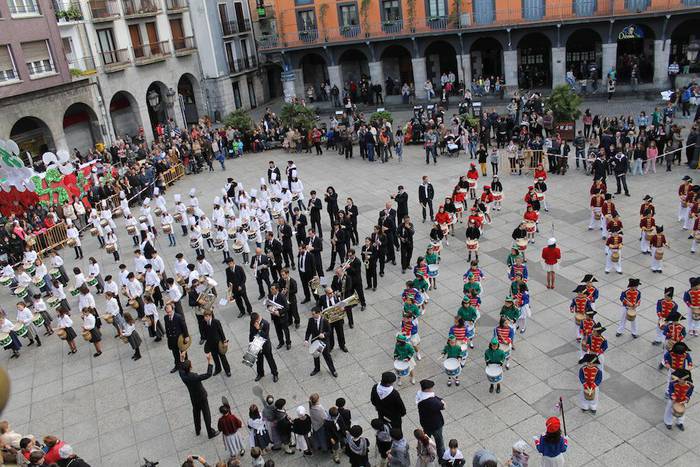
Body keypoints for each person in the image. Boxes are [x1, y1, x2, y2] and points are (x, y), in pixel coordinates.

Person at [179, 352, 219, 438]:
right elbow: (208, 374)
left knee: (196, 414)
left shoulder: (183, 376)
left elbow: (180, 369)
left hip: (193, 398)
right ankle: (210, 432)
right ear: (190, 367)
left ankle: (197, 430)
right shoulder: (195, 377)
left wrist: (181, 358)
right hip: (202, 397)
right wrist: (209, 361)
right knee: (206, 414)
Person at [416, 379, 445, 460]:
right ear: (427, 389)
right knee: (439, 442)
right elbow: (443, 406)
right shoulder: (432, 402)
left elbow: (435, 397)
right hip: (436, 425)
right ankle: (441, 458)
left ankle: (427, 453)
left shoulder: (420, 395)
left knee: (426, 441)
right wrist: (442, 401)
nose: (432, 389)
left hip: (425, 423)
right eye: (431, 388)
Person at [304, 307, 337, 377]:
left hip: (323, 342)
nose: (312, 316)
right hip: (315, 341)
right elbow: (308, 331)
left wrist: (324, 335)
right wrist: (306, 340)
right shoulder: (311, 320)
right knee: (316, 356)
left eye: (313, 314)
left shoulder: (324, 321)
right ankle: (317, 368)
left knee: (327, 356)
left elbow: (329, 332)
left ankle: (333, 370)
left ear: (318, 313)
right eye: (312, 314)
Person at [250, 312, 279, 382]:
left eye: (255, 321)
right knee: (259, 361)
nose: (254, 323)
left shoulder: (266, 323)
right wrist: (251, 343)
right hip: (257, 345)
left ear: (258, 319)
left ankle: (275, 374)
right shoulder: (252, 322)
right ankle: (260, 373)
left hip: (265, 345)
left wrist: (259, 329)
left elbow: (265, 336)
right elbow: (251, 333)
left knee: (270, 360)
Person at [202, 309, 230, 377]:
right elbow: (204, 331)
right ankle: (218, 369)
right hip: (210, 343)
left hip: (218, 343)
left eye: (206, 316)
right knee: (215, 358)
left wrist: (224, 341)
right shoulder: (204, 322)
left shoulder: (216, 322)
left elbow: (221, 331)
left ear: (210, 316)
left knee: (223, 357)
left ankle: (227, 370)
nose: (205, 318)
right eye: (204, 317)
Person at [164, 303, 189, 372]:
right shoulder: (165, 318)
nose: (169, 313)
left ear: (172, 309)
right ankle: (177, 366)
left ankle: (186, 366)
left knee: (183, 353)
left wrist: (186, 336)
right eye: (167, 312)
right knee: (175, 354)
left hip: (180, 339)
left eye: (170, 312)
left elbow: (184, 327)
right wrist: (168, 337)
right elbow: (167, 328)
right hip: (172, 339)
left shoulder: (178, 317)